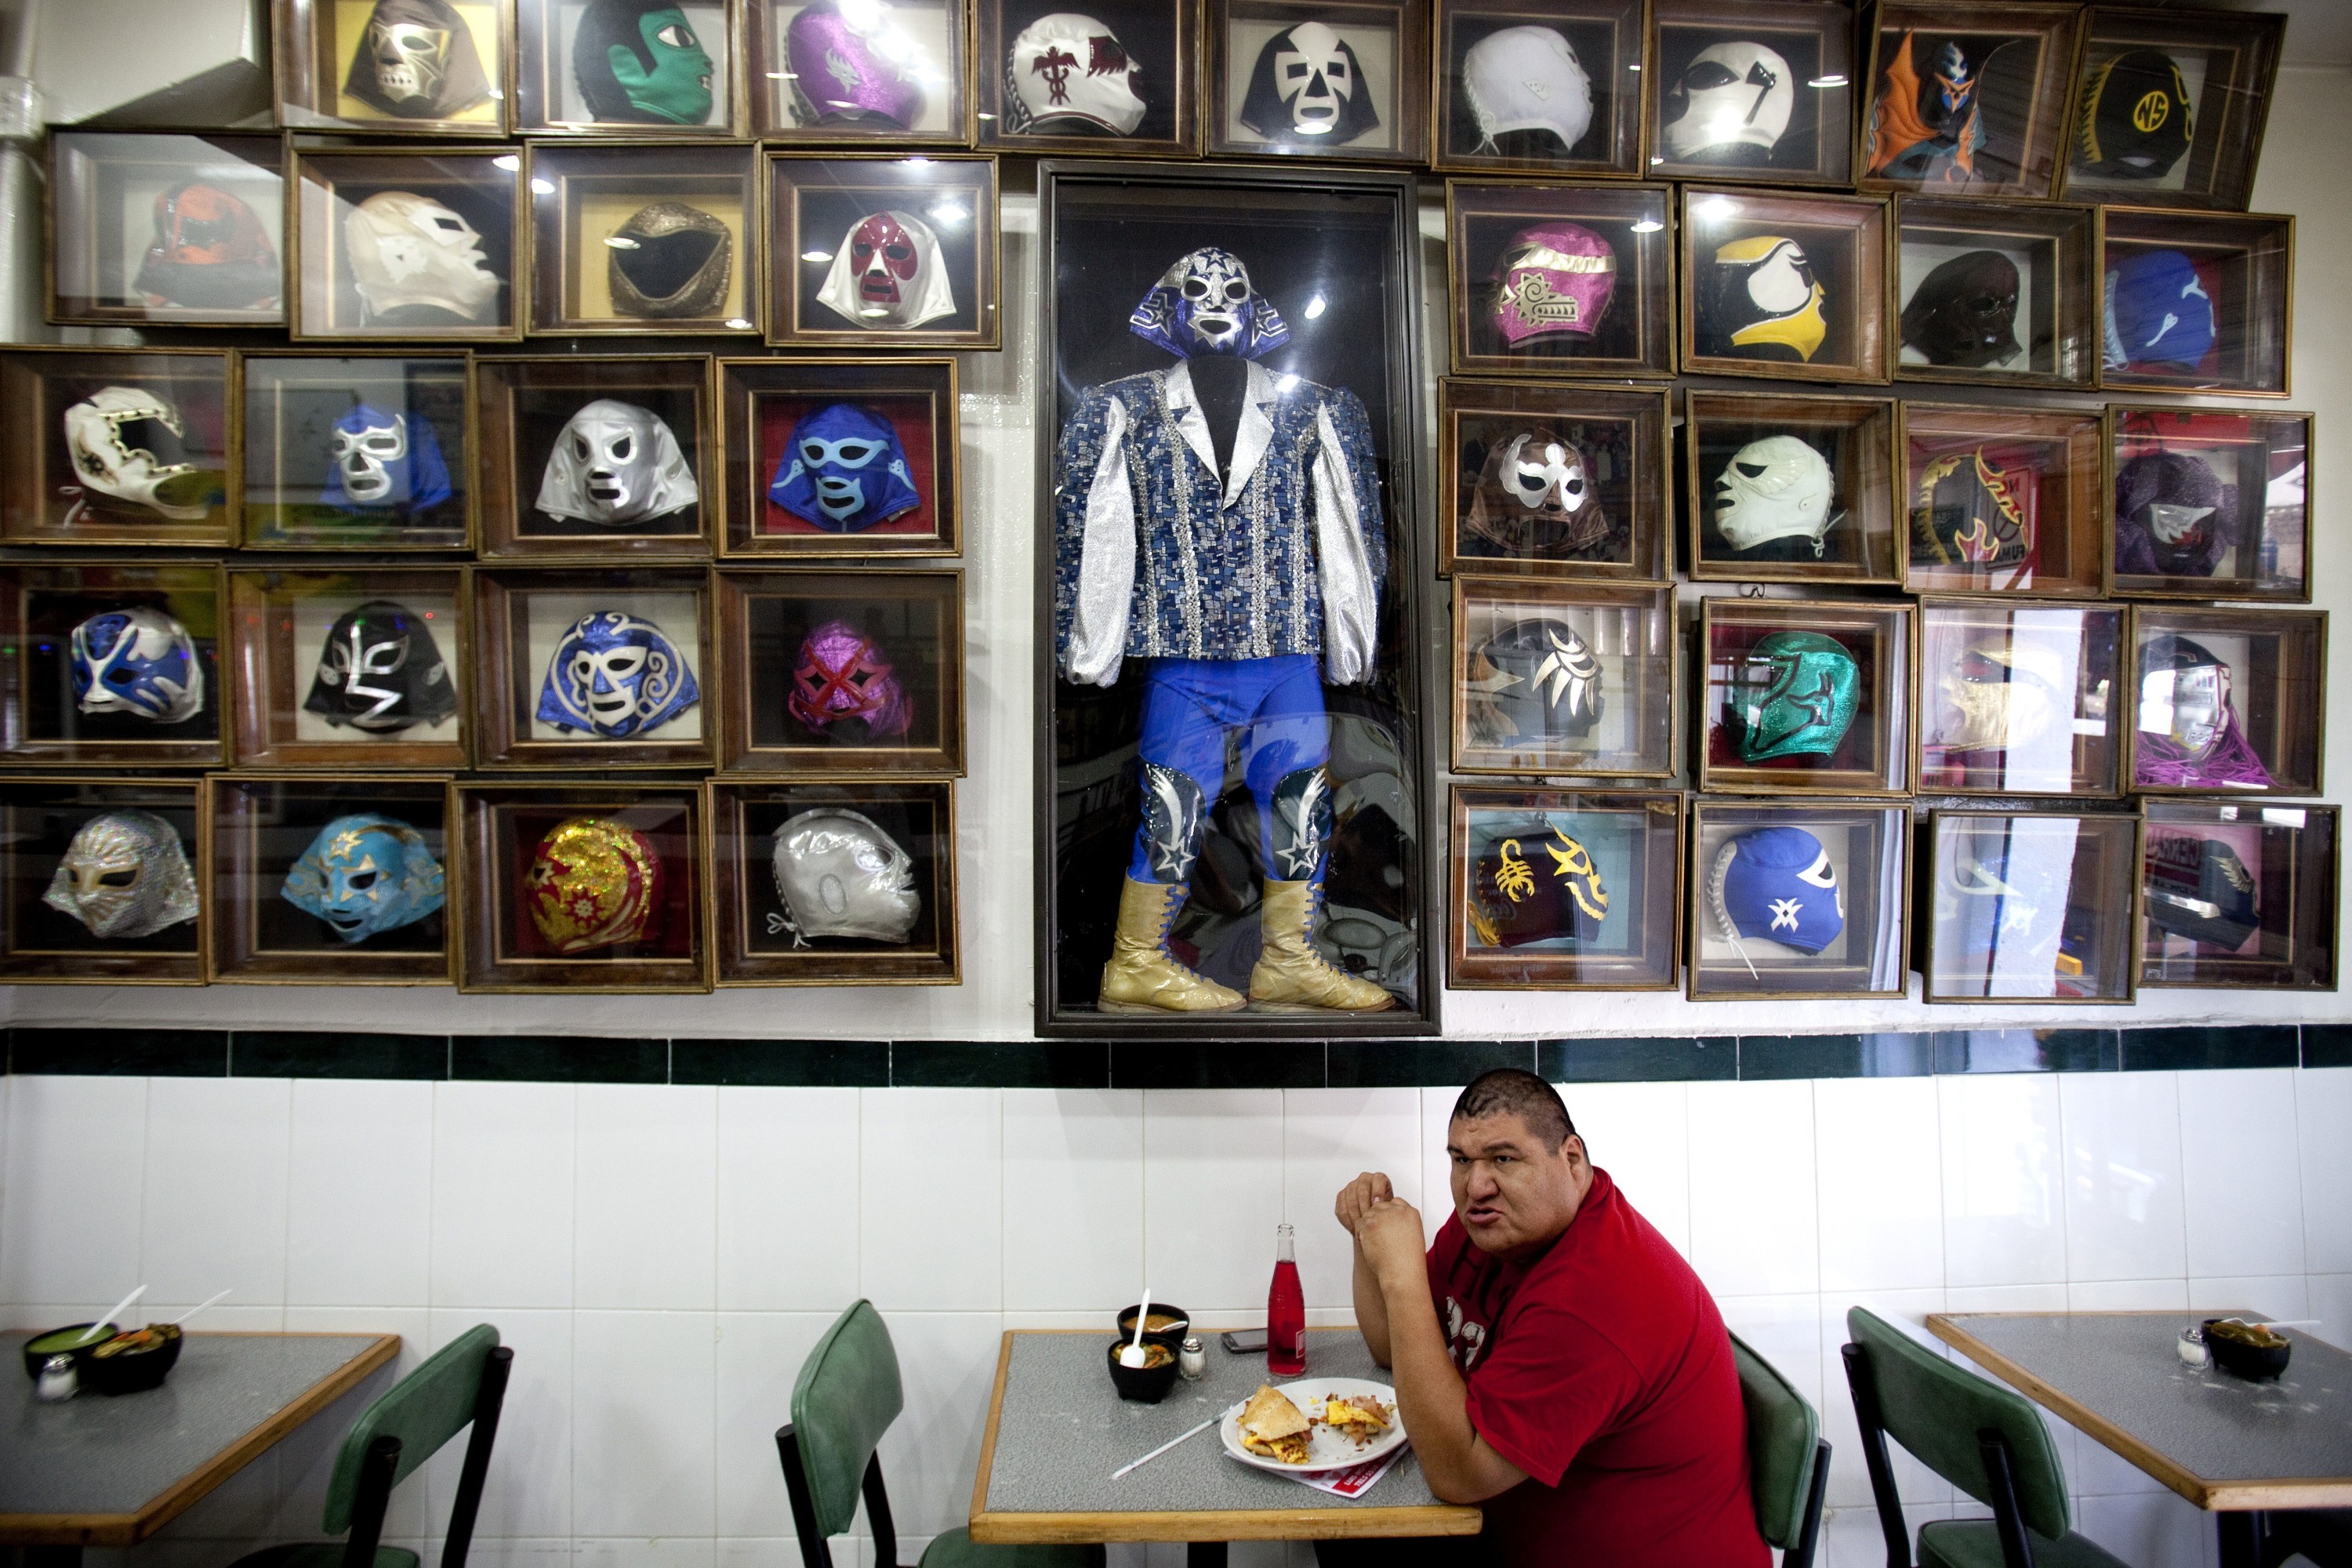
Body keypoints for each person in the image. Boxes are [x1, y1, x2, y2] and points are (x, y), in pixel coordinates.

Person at [1329, 1068, 1767, 1568]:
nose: (1476, 1186)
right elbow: (1393, 1349)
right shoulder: (1500, 1226)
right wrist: (1369, 1234)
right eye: (1461, 1160)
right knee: (1341, 1539)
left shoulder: (1592, 1298)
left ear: (1572, 1160)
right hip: (1513, 1528)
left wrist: (1402, 1278)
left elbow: (1459, 1476)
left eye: (1504, 1159)